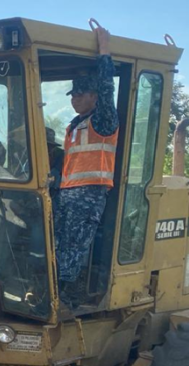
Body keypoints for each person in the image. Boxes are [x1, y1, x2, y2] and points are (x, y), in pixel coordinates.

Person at [55, 26, 119, 309]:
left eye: (80, 95)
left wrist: (104, 52)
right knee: (57, 241)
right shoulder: (74, 125)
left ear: (94, 96)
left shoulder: (102, 121)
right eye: (72, 95)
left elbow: (107, 89)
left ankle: (67, 295)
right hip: (67, 193)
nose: (74, 99)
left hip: (89, 194)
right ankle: (54, 286)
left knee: (75, 245)